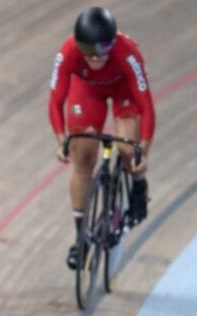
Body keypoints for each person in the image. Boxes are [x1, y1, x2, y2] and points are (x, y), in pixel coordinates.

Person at [48, 6, 155, 269]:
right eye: (89, 53)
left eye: (103, 50)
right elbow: (55, 101)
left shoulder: (128, 54)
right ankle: (80, 238)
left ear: (113, 43)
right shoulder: (68, 53)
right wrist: (62, 139)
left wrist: (143, 150)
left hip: (123, 91)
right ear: (79, 46)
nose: (95, 58)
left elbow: (146, 105)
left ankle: (139, 185)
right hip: (87, 91)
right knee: (82, 156)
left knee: (128, 150)